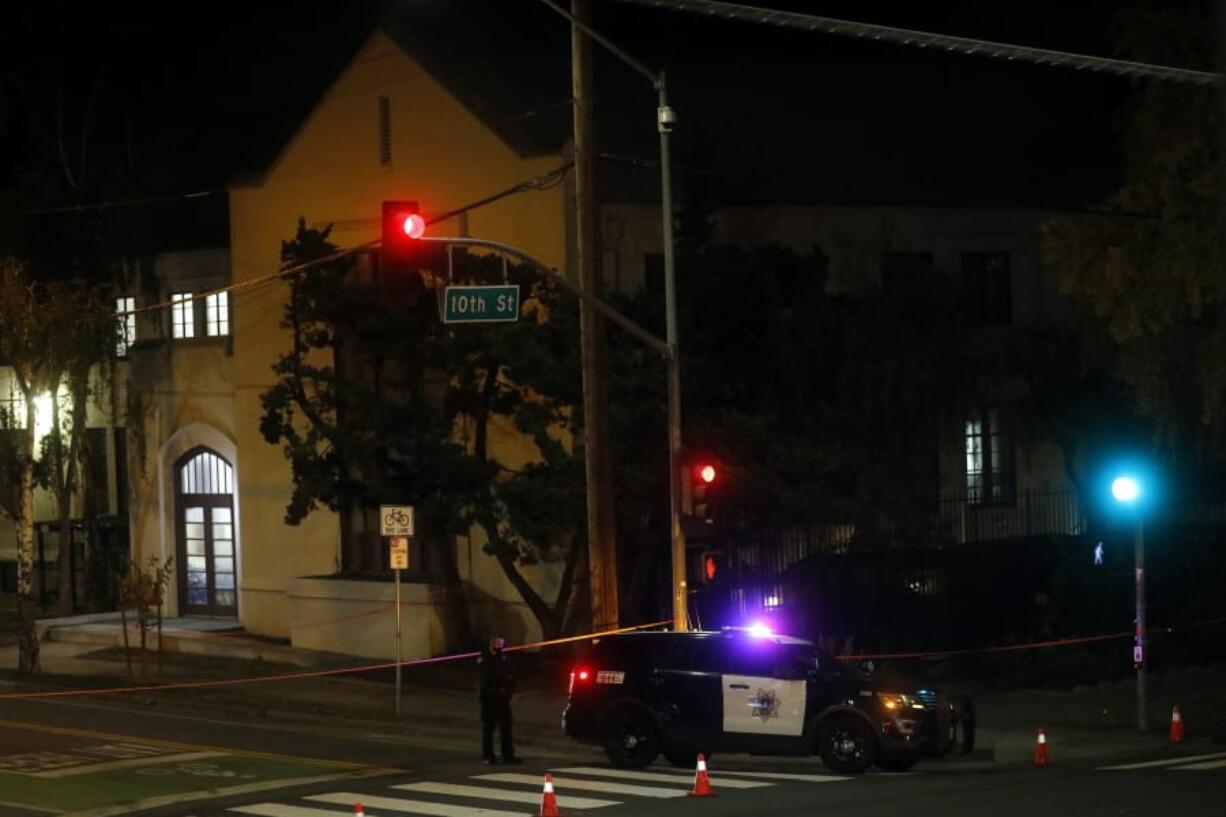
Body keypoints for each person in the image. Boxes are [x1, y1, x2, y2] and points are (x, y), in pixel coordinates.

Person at [478, 634, 521, 764]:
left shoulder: (504, 657)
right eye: (497, 644)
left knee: (506, 726)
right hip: (490, 697)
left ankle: (508, 754)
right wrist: (497, 686)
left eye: (501, 644)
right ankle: (488, 756)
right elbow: (485, 677)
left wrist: (509, 691)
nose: (500, 647)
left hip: (503, 698)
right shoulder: (484, 657)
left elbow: (511, 674)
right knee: (489, 727)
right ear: (491, 643)